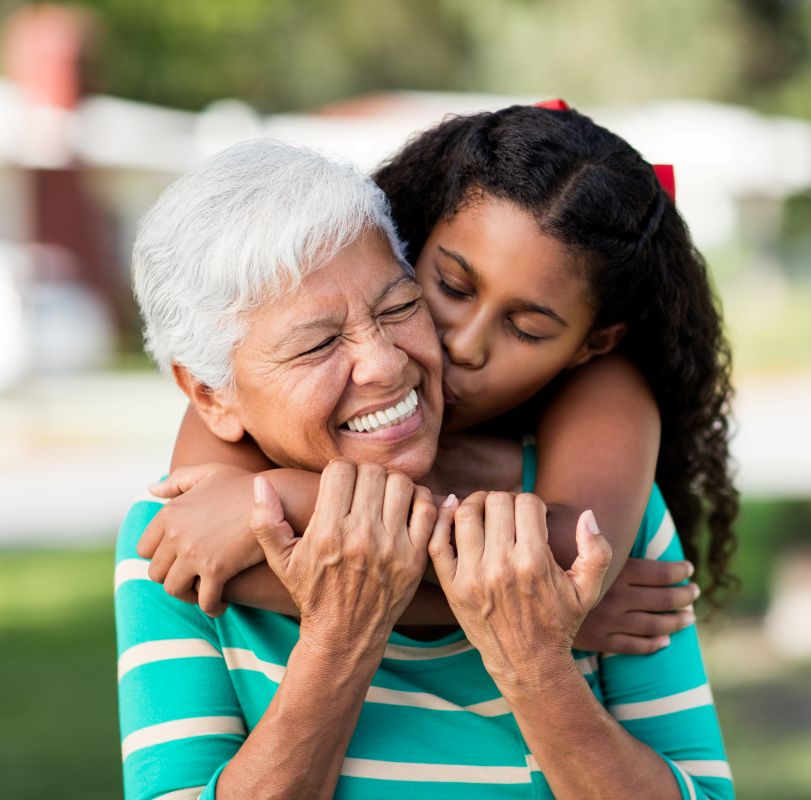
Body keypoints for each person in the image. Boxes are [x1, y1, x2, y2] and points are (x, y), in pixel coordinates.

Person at [116, 138, 732, 799]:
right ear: (211, 396)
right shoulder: (182, 539)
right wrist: (344, 630)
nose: (387, 362)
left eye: (397, 308)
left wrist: (537, 658)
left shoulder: (599, 526)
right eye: (319, 343)